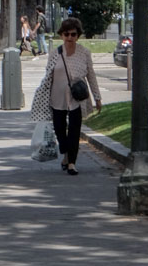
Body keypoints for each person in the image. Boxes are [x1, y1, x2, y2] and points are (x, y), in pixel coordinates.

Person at [30, 16, 102, 175]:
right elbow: (48, 75)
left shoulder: (84, 53)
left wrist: (97, 97)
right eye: (67, 34)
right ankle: (66, 152)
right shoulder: (55, 53)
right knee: (60, 129)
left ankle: (71, 163)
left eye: (73, 34)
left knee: (75, 131)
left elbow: (91, 76)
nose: (70, 37)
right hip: (58, 97)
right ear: (61, 35)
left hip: (77, 97)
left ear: (78, 35)